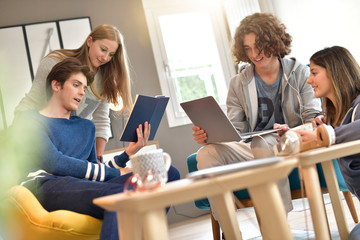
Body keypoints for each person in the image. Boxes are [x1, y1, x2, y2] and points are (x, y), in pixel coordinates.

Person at [12, 58, 180, 240]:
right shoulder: (29, 120)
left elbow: (95, 170)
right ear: (56, 85)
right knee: (119, 196)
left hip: (83, 186)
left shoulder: (86, 127)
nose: (81, 92)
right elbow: (54, 162)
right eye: (76, 85)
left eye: (84, 88)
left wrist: (128, 153)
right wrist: (119, 174)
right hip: (46, 184)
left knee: (167, 173)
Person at [192, 12, 322, 223]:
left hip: (292, 141)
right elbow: (234, 129)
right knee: (206, 153)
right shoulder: (238, 83)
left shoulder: (299, 72)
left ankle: (276, 225)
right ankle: (229, 228)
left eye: (258, 46)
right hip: (254, 147)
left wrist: (292, 131)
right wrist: (210, 135)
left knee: (263, 142)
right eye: (247, 48)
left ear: (273, 41)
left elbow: (314, 118)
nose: (254, 54)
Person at [15, 24, 132, 159]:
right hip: (46, 142)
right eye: (103, 49)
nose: (105, 58)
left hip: (76, 149)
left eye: (111, 54)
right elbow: (31, 102)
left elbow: (101, 121)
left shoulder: (105, 80)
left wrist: (98, 158)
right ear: (90, 41)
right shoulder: (54, 62)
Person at [296, 46, 360, 200]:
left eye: (314, 73)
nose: (308, 80)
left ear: (334, 72)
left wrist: (325, 135)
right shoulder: (339, 116)